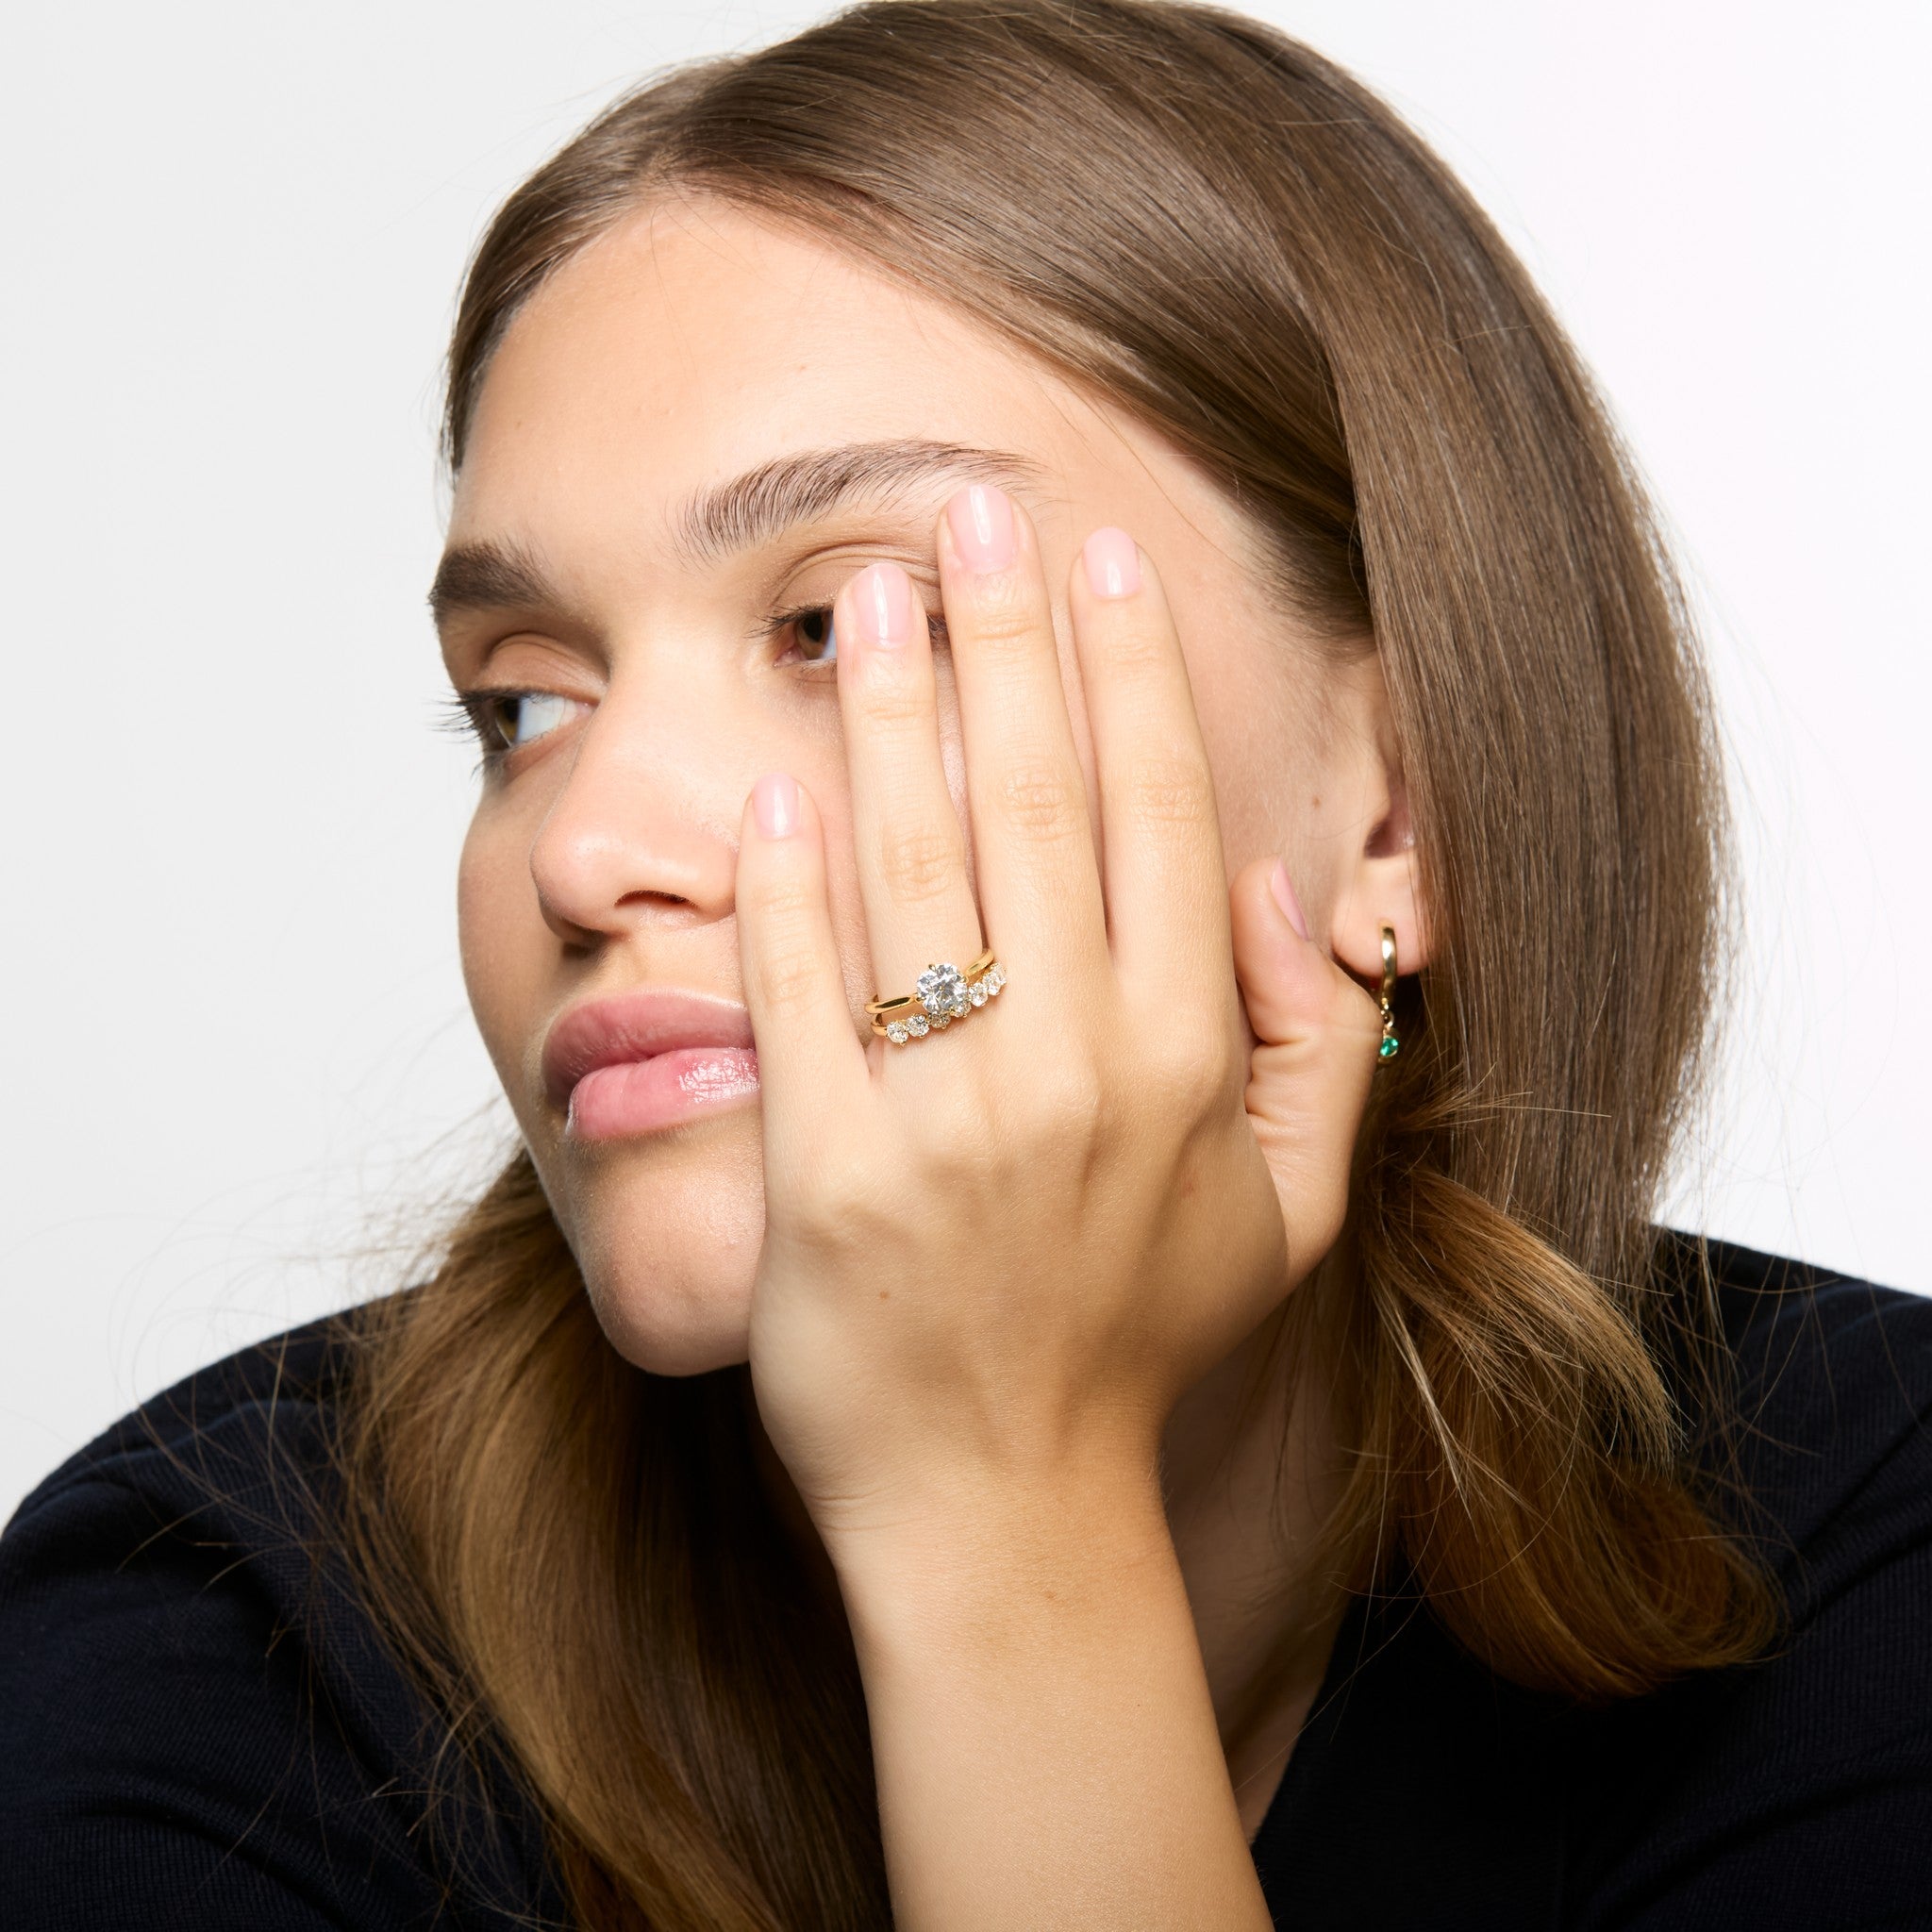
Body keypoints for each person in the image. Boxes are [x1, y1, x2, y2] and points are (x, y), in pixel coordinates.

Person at [3, 2, 1927, 1925]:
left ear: (1398, 815)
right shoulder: (216, 1634)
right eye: (522, 705)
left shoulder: (1864, 1547)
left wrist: (999, 1514)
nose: (579, 852)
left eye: (844, 629)